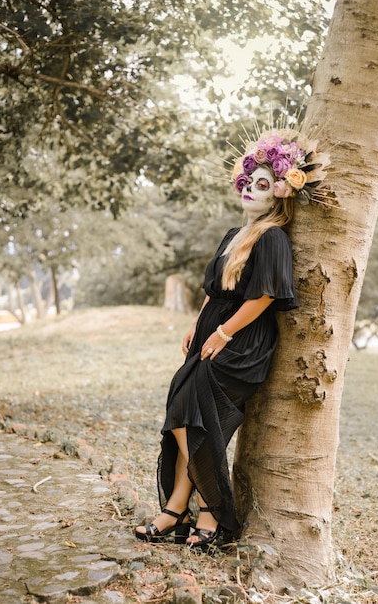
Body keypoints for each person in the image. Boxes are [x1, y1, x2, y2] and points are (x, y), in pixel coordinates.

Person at [135, 126, 330, 547]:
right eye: (248, 182)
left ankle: (211, 513)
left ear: (279, 193)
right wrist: (196, 324)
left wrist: (223, 333)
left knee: (195, 417)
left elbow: (262, 297)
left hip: (242, 343)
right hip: (211, 334)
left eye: (263, 185)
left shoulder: (273, 237)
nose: (251, 190)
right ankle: (179, 512)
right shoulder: (232, 235)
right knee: (185, 412)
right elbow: (214, 292)